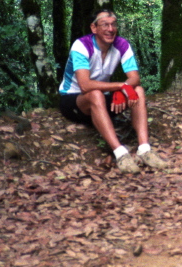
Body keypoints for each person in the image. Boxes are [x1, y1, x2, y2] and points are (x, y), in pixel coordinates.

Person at [58, 10, 169, 173]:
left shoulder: (122, 44)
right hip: (74, 100)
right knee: (95, 94)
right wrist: (121, 87)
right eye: (105, 25)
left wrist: (120, 90)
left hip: (102, 100)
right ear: (94, 28)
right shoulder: (81, 46)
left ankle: (145, 149)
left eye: (113, 24)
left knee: (138, 90)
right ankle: (121, 154)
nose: (110, 29)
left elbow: (135, 78)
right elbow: (85, 86)